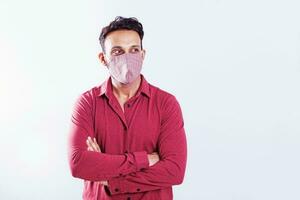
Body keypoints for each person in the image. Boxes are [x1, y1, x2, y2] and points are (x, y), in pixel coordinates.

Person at [67, 16, 187, 200]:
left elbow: (174, 171)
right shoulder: (87, 103)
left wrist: (111, 179)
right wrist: (145, 159)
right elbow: (79, 164)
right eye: (117, 51)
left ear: (143, 54)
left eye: (134, 50)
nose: (127, 58)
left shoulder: (166, 104)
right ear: (103, 58)